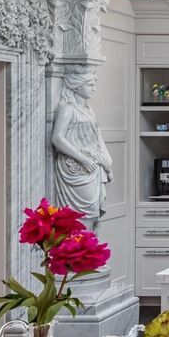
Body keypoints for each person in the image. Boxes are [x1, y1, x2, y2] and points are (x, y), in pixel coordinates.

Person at [51, 65, 113, 224]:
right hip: (75, 168)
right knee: (79, 218)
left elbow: (97, 136)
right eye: (90, 84)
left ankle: (90, 248)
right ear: (77, 85)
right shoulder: (67, 109)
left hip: (94, 166)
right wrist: (83, 159)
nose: (94, 88)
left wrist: (106, 163)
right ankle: (77, 247)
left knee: (94, 217)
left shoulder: (89, 109)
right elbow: (57, 139)